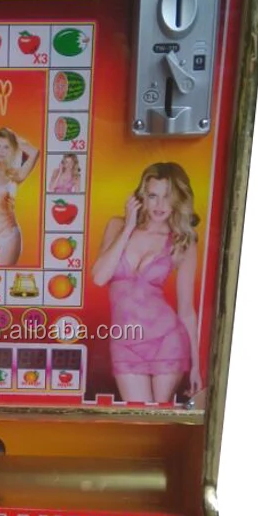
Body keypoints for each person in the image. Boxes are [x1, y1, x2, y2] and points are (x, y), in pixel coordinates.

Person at [91, 162, 202, 404]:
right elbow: (99, 278)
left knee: (158, 416)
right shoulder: (117, 226)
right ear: (142, 196)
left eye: (167, 196)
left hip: (167, 339)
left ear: (177, 199)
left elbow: (186, 310)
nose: (160, 205)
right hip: (125, 342)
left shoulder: (182, 241)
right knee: (136, 415)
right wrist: (129, 227)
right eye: (153, 196)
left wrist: (196, 366)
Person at [0, 127, 39, 266]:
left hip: (9, 235)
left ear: (12, 150)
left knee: (4, 274)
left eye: (6, 147)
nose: (1, 151)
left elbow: (34, 153)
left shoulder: (15, 175)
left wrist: (14, 137)